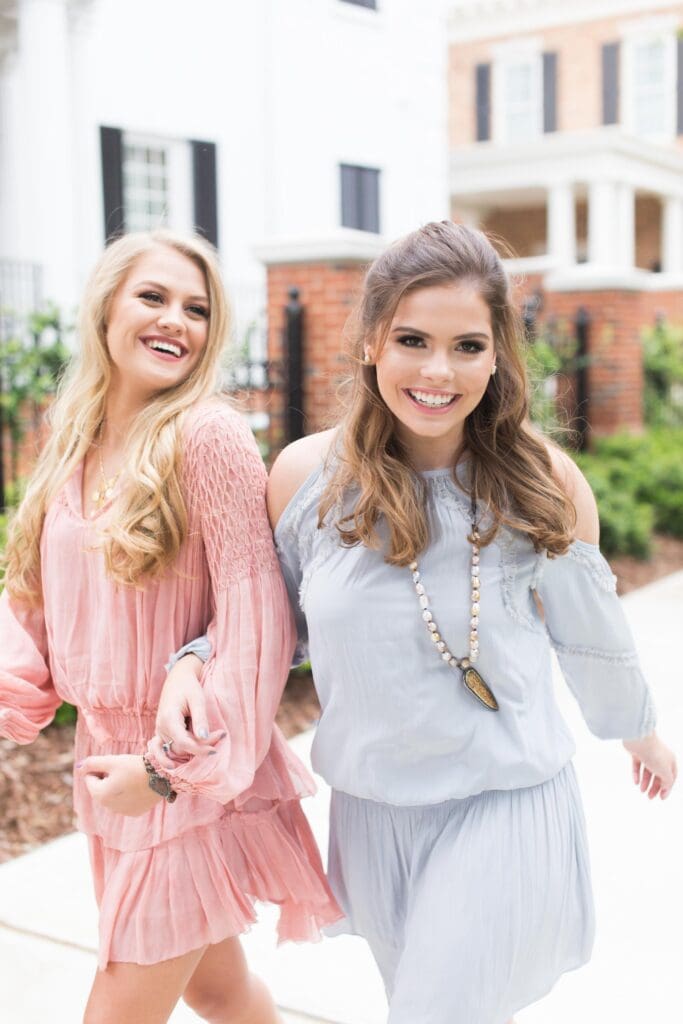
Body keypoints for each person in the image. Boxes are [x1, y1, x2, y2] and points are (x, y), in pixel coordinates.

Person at [155, 221, 677, 1024]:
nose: (439, 371)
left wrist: (635, 728)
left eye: (467, 345)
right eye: (412, 339)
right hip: (374, 814)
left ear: (498, 354)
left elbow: (589, 630)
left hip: (503, 803)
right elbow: (266, 624)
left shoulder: (543, 483)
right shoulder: (303, 478)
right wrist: (192, 662)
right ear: (370, 342)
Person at [0, 229, 340, 1024]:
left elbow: (257, 625)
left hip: (181, 769)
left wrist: (163, 774)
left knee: (115, 1009)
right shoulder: (73, 442)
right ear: (107, 307)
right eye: (153, 297)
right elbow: (32, 608)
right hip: (104, 766)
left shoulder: (207, 437)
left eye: (197, 309)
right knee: (221, 991)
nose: (175, 321)